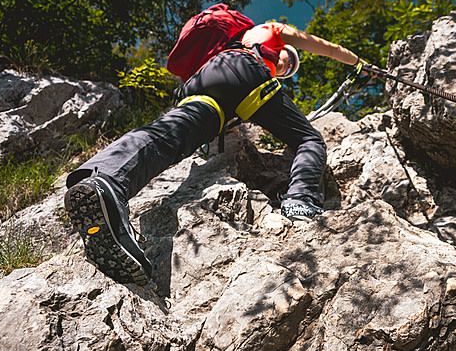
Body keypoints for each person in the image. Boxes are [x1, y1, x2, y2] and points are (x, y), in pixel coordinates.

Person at [63, 20, 360, 288]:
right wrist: (356, 62)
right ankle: (301, 201)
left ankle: (105, 182)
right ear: (284, 49)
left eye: (288, 69)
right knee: (309, 138)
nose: (285, 68)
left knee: (169, 136)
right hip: (243, 72)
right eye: (288, 61)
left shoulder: (229, 45)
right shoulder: (270, 32)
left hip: (204, 81)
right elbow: (325, 48)